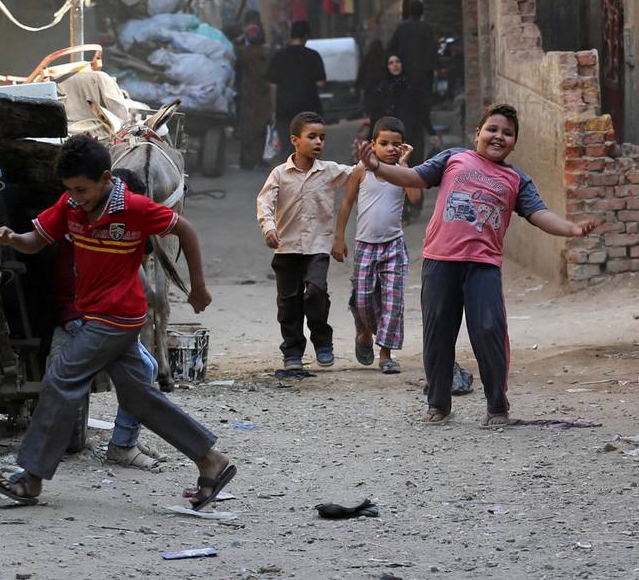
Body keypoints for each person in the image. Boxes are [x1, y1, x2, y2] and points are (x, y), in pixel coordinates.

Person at [0, 135, 236, 508]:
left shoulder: (134, 208)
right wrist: (11, 239)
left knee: (61, 378)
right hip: (99, 316)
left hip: (116, 317)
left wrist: (197, 286)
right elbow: (36, 240)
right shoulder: (70, 205)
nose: (76, 197)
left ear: (105, 179)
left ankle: (32, 477)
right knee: (138, 398)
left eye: (82, 189)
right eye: (70, 190)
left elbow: (185, 229)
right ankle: (210, 460)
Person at [357, 103, 598, 426]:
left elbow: (539, 214)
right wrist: (376, 167)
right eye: (492, 129)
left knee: (489, 330)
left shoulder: (516, 180)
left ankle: (497, 406)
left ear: (514, 143)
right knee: (438, 333)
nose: (498, 136)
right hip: (440, 262)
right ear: (477, 133)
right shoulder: (454, 158)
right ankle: (438, 403)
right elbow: (413, 177)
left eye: (507, 133)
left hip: (483, 266)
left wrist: (570, 229)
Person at [49, 167, 163, 470]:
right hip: (85, 318)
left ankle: (127, 439)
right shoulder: (89, 230)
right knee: (143, 369)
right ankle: (122, 445)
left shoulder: (102, 225)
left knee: (148, 366)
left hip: (100, 317)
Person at [256, 111, 353, 370]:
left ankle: (322, 340)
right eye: (312, 136)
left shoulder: (330, 171)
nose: (318, 142)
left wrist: (371, 159)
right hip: (286, 248)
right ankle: (292, 352)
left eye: (322, 137)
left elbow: (359, 175)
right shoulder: (279, 174)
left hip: (317, 247)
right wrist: (268, 228)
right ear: (295, 140)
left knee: (316, 292)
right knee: (288, 303)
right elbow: (265, 203)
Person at [332, 116, 421, 374]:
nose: (390, 148)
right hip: (365, 246)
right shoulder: (361, 170)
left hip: (394, 246)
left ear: (403, 147)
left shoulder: (402, 173)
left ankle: (385, 354)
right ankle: (364, 334)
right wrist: (339, 237)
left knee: (393, 301)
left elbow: (415, 197)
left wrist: (404, 165)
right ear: (373, 145)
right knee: (362, 299)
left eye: (396, 144)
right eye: (384, 143)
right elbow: (347, 202)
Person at [266, 20, 326, 159]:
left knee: (287, 151)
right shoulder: (313, 55)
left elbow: (272, 86)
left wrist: (274, 110)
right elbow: (321, 82)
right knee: (310, 149)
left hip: (284, 109)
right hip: (309, 109)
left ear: (291, 35)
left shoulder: (279, 56)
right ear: (306, 36)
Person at [386, 0, 437, 159]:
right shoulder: (425, 28)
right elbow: (433, 52)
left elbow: (390, 48)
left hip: (405, 77)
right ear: (421, 12)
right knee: (419, 113)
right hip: (421, 79)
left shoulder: (402, 28)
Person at [372, 53, 439, 172]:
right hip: (392, 135)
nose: (395, 65)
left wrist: (431, 132)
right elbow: (376, 114)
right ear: (387, 67)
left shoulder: (412, 84)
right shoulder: (382, 88)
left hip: (413, 132)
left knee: (414, 169)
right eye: (391, 63)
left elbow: (422, 110)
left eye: (397, 62)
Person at [234, 17, 273, 169]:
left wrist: (242, 36)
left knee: (247, 128)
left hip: (248, 97)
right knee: (261, 129)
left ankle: (246, 160)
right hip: (263, 97)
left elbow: (234, 48)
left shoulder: (244, 53)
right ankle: (258, 159)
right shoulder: (267, 54)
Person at [355, 37, 388, 141]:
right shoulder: (384, 59)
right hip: (382, 94)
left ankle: (372, 137)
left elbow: (360, 78)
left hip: (370, 95)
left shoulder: (367, 60)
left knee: (373, 118)